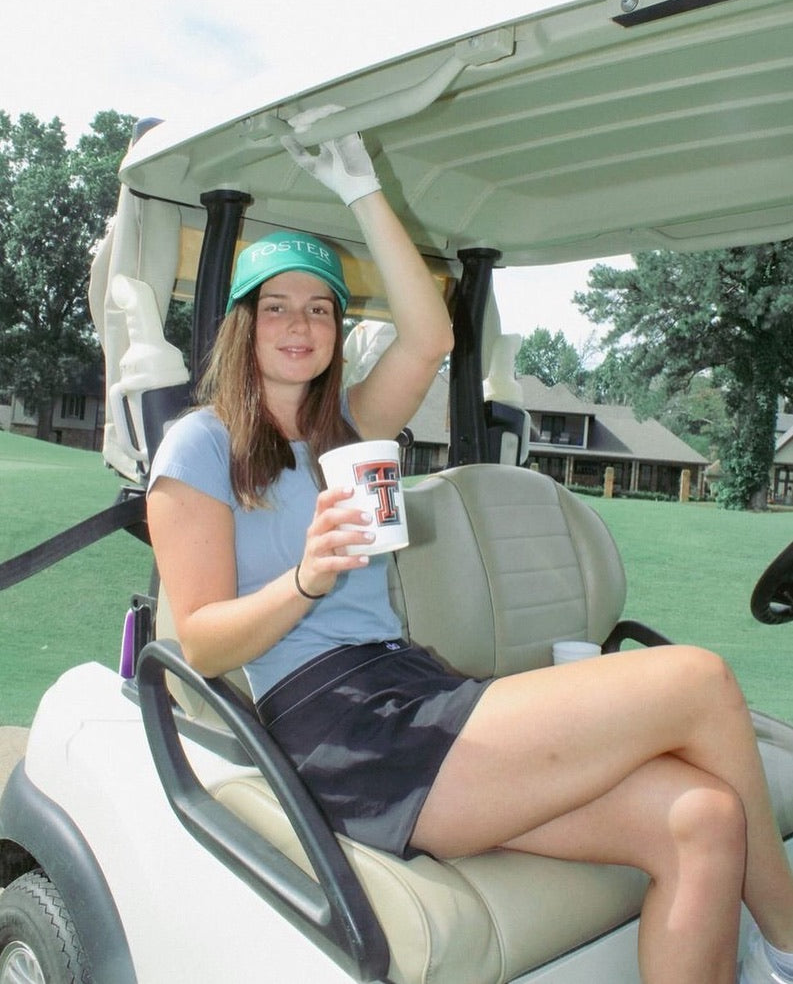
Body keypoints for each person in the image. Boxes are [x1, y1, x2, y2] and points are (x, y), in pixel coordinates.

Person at [147, 112, 793, 984]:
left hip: (409, 683)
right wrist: (306, 578)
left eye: (319, 310)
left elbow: (430, 337)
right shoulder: (199, 445)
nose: (298, 326)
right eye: (275, 309)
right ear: (242, 325)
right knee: (699, 680)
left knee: (703, 818)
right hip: (334, 725)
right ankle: (790, 948)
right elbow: (200, 641)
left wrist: (359, 187)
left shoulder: (347, 429)